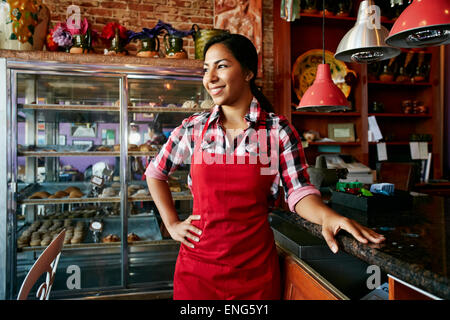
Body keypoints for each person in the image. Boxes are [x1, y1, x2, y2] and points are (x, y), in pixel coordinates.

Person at [145, 33, 385, 300]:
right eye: (206, 69)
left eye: (221, 66)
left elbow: (299, 192)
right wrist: (172, 223)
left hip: (253, 275)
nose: (210, 77)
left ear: (248, 73)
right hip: (197, 272)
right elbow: (155, 173)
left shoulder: (277, 131)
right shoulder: (193, 128)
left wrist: (327, 216)